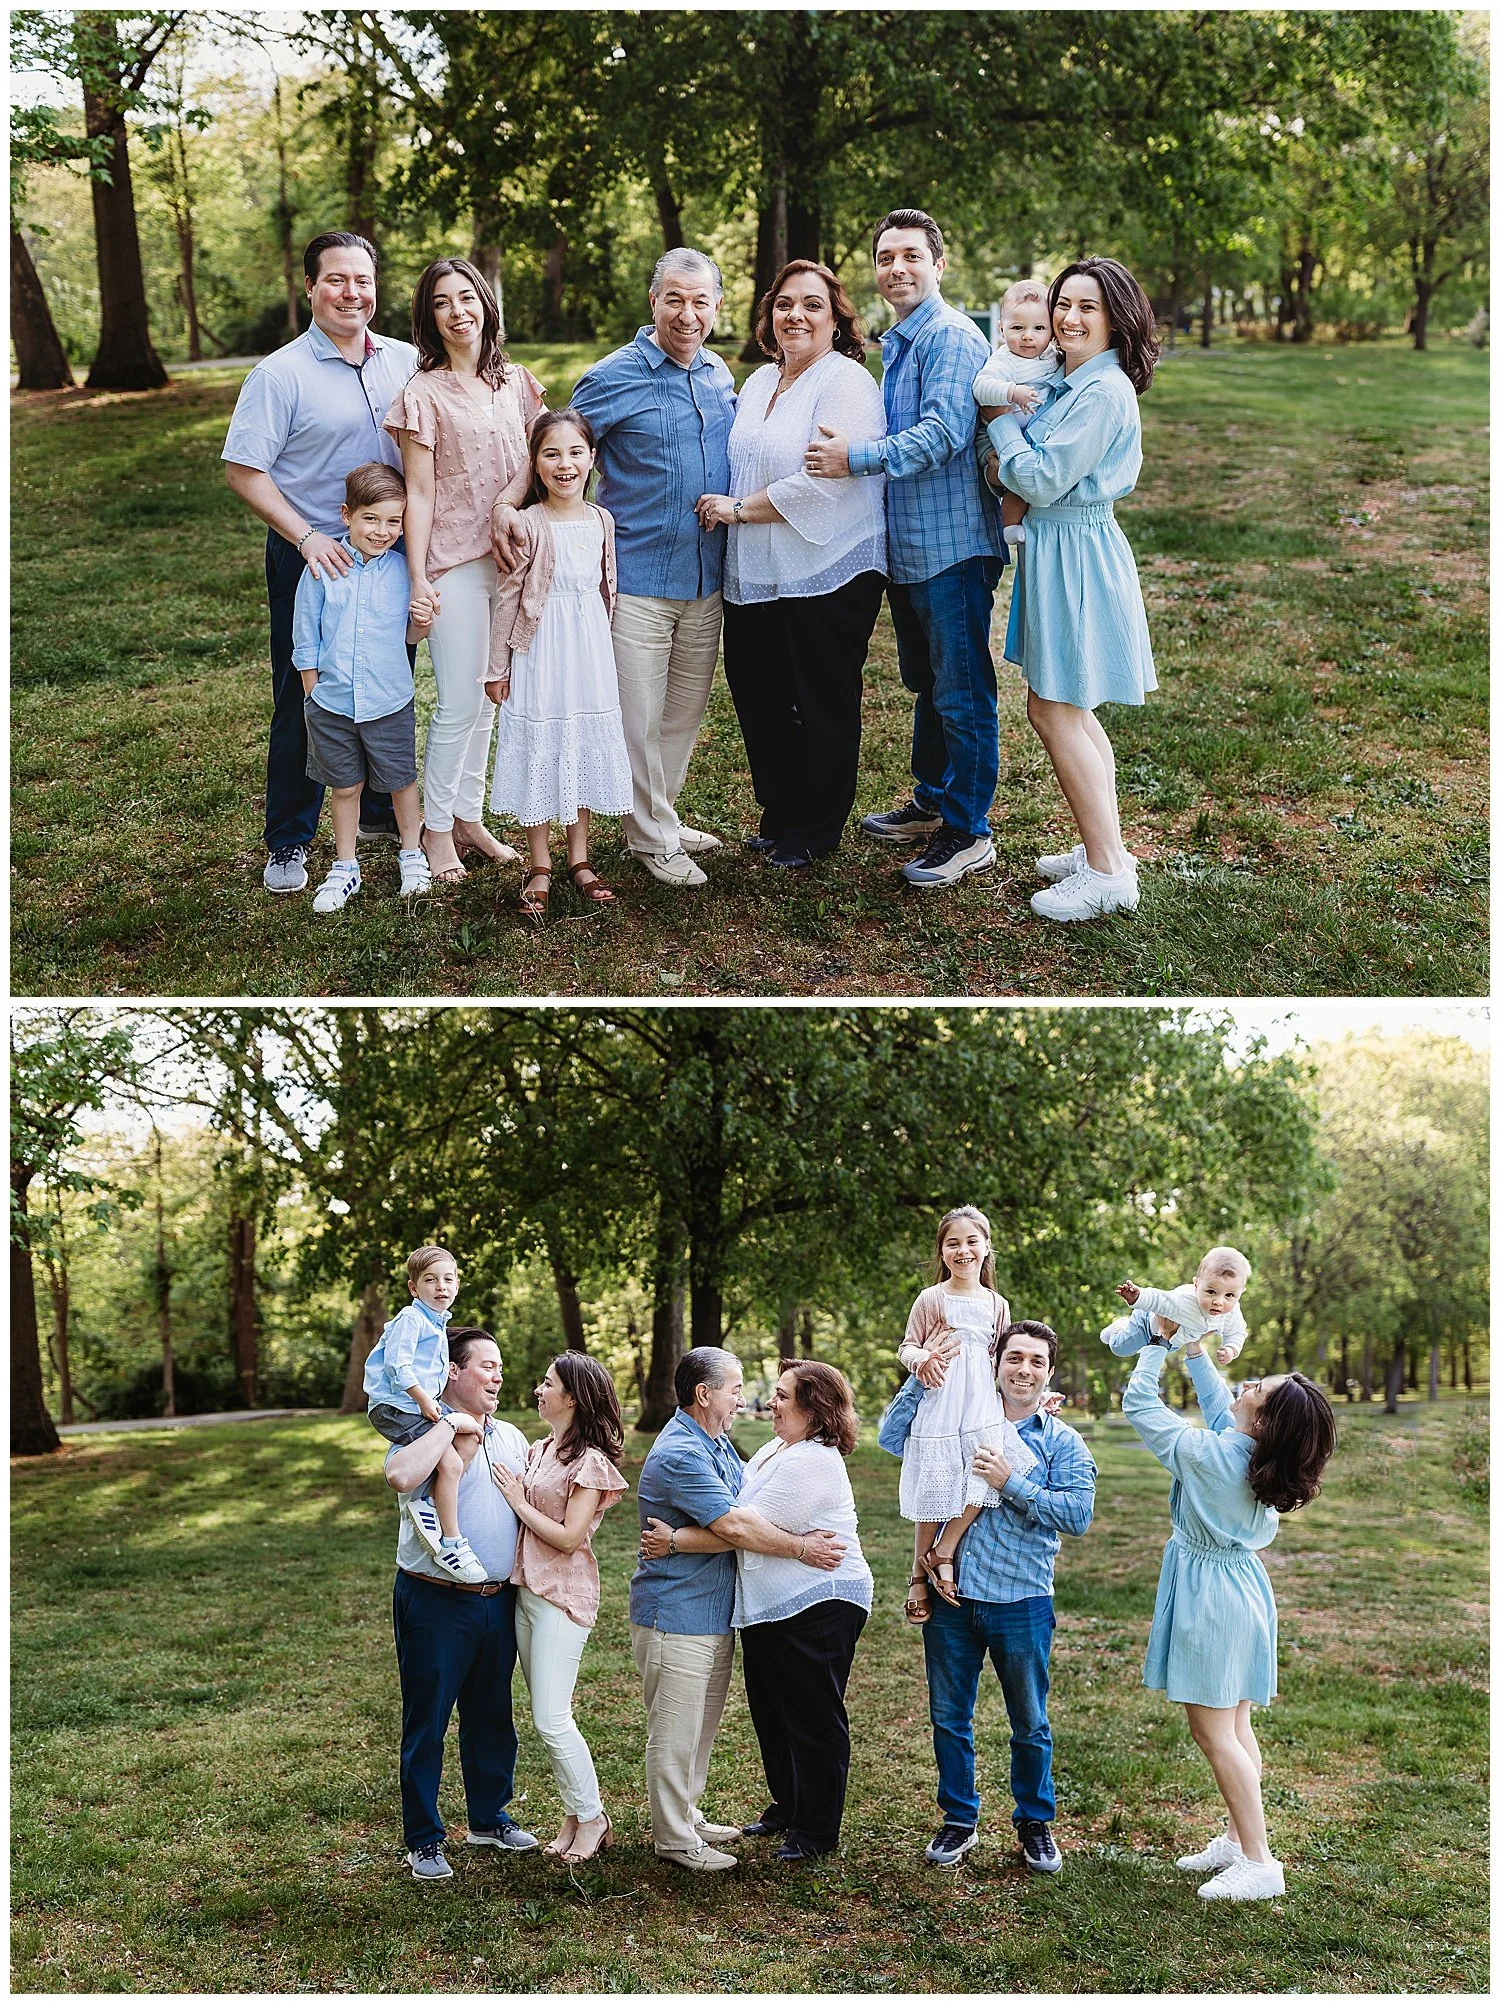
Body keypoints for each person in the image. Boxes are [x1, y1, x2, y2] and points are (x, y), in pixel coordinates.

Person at [507, 249, 735, 889]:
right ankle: (652, 839)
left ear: (717, 306)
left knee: (681, 714)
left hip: (707, 573)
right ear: (653, 302)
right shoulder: (613, 377)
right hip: (633, 573)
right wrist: (508, 506)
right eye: (674, 299)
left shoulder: (720, 375)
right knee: (637, 716)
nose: (687, 314)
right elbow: (556, 446)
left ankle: (658, 814)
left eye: (700, 301)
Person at [805, 208, 1005, 891]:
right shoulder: (903, 342)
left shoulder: (949, 337)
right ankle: (932, 801)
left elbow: (942, 436)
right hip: (911, 549)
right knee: (927, 686)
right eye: (886, 257)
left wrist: (851, 459)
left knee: (961, 691)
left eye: (911, 256)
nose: (898, 268)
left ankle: (968, 830)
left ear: (938, 264)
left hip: (953, 548)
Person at [223, 231, 416, 894]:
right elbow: (244, 471)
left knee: (387, 682)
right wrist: (306, 536)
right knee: (305, 694)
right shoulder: (279, 374)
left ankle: (368, 809)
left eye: (361, 280)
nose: (351, 293)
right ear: (310, 287)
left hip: (389, 553)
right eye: (336, 279)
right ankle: (289, 838)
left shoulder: (406, 362)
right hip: (314, 557)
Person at [1122, 1324, 1337, 1900]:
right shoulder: (1250, 1454)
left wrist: (1155, 1343)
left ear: (1263, 1420)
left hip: (1212, 1598)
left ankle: (1261, 1863)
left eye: (1255, 1387)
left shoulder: (1207, 1454)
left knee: (1213, 1731)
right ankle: (1241, 1840)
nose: (1242, 1384)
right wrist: (1195, 1353)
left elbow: (1139, 1403)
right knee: (1237, 1725)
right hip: (1241, 1589)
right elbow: (1226, 1411)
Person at [879, 1319, 1096, 1874]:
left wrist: (1011, 1482)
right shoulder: (959, 1421)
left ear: (1050, 1371)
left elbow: (1076, 1515)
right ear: (995, 1364)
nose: (1024, 1369)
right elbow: (890, 1438)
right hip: (952, 1599)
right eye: (1015, 1358)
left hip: (1020, 1600)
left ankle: (1034, 1824)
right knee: (950, 1717)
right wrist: (924, 1373)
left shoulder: (1061, 1440)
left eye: (1036, 1362)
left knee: (1030, 1721)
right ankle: (958, 1819)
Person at [981, 255, 1159, 924]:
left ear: (1117, 319)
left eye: (1087, 306)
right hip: (1062, 547)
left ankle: (1109, 874)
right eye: (1063, 304)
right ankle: (1103, 849)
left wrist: (999, 426)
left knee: (1054, 709)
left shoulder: (1104, 390)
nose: (1068, 317)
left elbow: (1041, 477)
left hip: (1076, 549)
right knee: (1072, 707)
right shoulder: (1074, 380)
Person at [694, 260, 886, 867]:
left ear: (836, 321)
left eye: (811, 305)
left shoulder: (846, 383)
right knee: (760, 696)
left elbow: (825, 481)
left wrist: (738, 510)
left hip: (826, 568)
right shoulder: (755, 384)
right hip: (755, 569)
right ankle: (780, 814)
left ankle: (817, 827)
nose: (795, 315)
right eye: (784, 304)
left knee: (821, 699)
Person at [642, 1362, 874, 1861]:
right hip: (769, 1609)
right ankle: (788, 1806)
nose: (771, 1403)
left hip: (818, 1601)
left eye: (784, 1396)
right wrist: (790, 1543)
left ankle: (816, 1831)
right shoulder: (775, 1449)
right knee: (773, 1715)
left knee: (813, 1717)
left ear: (815, 1410)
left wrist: (676, 1540)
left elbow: (745, 1528)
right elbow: (736, 1521)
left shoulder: (813, 1460)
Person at [384, 257, 544, 884]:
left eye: (467, 298)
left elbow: (539, 455)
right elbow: (417, 493)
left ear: (486, 304)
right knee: (456, 702)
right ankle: (436, 830)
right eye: (442, 302)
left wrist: (508, 503)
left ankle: (469, 817)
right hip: (452, 561)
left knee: (489, 699)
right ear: (428, 316)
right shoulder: (421, 395)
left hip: (512, 558)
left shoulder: (517, 382)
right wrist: (420, 575)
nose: (458, 311)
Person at [383, 1325, 540, 1880]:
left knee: (492, 1714)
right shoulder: (424, 1428)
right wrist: (449, 1425)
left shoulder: (512, 1437)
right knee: (428, 1720)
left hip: (499, 1599)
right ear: (453, 1370)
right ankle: (424, 1838)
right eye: (487, 1366)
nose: (499, 1375)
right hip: (435, 1600)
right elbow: (400, 1475)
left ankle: (488, 1817)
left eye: (501, 1366)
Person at [483, 411, 634, 918]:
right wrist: (497, 665)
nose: (564, 464)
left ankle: (580, 859)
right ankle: (540, 864)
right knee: (544, 750)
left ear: (592, 459)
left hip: (587, 649)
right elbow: (508, 597)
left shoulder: (601, 520)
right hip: (540, 650)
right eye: (551, 454)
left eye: (575, 453)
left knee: (583, 747)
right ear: (535, 464)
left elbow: (603, 588)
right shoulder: (528, 524)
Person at [491, 1354, 628, 1865]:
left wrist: (517, 1502)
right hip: (525, 1590)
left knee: (552, 1718)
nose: (538, 1389)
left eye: (547, 1383)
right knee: (545, 1714)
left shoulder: (590, 1462)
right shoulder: (541, 1448)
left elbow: (570, 1538)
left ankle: (593, 1817)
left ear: (572, 1397)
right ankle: (574, 1816)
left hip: (561, 1598)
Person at [292, 462, 435, 913]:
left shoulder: (403, 571)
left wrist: (421, 625)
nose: (383, 530)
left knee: (401, 781)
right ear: (346, 514)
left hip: (388, 699)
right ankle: (345, 865)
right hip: (331, 703)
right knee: (345, 787)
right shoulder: (323, 568)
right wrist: (312, 689)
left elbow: (410, 637)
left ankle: (412, 855)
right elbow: (305, 634)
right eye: (371, 518)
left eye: (394, 521)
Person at [895, 1206, 1035, 1622]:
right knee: (933, 1487)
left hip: (980, 1404)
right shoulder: (931, 1299)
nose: (962, 1250)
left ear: (987, 1247)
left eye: (972, 1241)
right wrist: (923, 1360)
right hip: (941, 1401)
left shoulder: (997, 1304)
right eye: (952, 1243)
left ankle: (943, 1550)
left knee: (984, 1473)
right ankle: (917, 1575)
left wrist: (1031, 1399)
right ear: (941, 1252)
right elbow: (907, 1346)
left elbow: (1001, 1360)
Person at [362, 1244, 485, 1580]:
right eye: (430, 1280)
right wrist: (423, 1401)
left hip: (418, 1403)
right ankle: (451, 1542)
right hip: (398, 1406)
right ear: (414, 1288)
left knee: (473, 1436)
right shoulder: (411, 1319)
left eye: (448, 1279)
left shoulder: (437, 1325)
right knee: (451, 1462)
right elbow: (397, 1366)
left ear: (458, 1285)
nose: (441, 1287)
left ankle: (431, 1499)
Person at [971, 280, 1065, 548]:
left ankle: (1012, 522)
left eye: (1039, 328)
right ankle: (1009, 525)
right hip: (994, 440)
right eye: (1017, 328)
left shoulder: (1050, 357)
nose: (1028, 336)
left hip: (1026, 436)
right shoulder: (1004, 361)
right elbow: (981, 388)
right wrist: (1012, 392)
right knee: (1007, 474)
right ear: (1001, 329)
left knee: (1025, 477)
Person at [1102, 1246, 1252, 1366]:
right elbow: (1158, 1300)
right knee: (1120, 1349)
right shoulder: (1184, 1300)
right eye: (1211, 1291)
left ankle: (1145, 1345)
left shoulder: (1232, 1313)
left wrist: (1231, 1349)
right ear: (1196, 1284)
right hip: (1146, 1326)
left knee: (1151, 1354)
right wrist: (1136, 1296)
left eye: (1229, 1295)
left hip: (1173, 1341)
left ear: (1240, 1293)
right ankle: (1120, 1326)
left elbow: (1237, 1332)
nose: (1219, 1302)